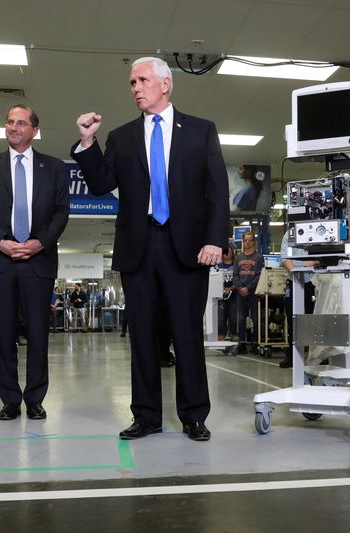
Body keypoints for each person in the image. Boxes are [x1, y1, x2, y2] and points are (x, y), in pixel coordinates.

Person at [73, 57, 229, 442]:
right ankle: (146, 416)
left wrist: (215, 240)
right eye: (131, 82)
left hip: (187, 247)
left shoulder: (200, 131)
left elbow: (217, 191)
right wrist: (88, 142)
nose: (136, 88)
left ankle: (193, 415)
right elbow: (99, 184)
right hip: (138, 245)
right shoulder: (121, 137)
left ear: (165, 85)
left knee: (186, 334)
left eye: (142, 80)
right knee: (142, 335)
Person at [0, 104, 69, 421]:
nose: (13, 127)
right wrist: (2, 242)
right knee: (4, 333)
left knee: (38, 334)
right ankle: (10, 400)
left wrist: (39, 242)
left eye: (21, 122)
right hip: (0, 260)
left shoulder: (54, 168)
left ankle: (36, 398)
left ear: (34, 130)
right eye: (9, 121)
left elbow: (60, 213)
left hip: (37, 262)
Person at [279, 231, 318, 368]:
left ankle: (316, 355)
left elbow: (321, 257)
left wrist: (306, 265)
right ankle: (292, 356)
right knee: (292, 320)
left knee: (312, 319)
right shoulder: (289, 234)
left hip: (313, 282)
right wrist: (296, 272)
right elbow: (284, 258)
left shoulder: (316, 231)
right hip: (294, 281)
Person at [234, 232, 263, 354]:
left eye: (250, 240)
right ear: (243, 242)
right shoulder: (238, 258)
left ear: (253, 242)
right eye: (245, 240)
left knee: (256, 319)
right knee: (240, 319)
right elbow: (235, 276)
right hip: (241, 293)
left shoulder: (258, 257)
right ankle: (242, 344)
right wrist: (241, 288)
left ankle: (255, 344)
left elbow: (259, 275)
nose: (247, 243)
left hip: (253, 293)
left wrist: (248, 288)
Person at [216, 247, 237, 340]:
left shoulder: (236, 265)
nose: (227, 253)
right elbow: (214, 279)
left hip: (234, 296)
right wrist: (223, 289)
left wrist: (232, 288)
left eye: (229, 251)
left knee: (234, 318)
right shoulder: (217, 265)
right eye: (225, 251)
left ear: (232, 253)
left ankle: (234, 337)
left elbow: (240, 279)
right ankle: (221, 338)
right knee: (220, 318)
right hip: (220, 296)